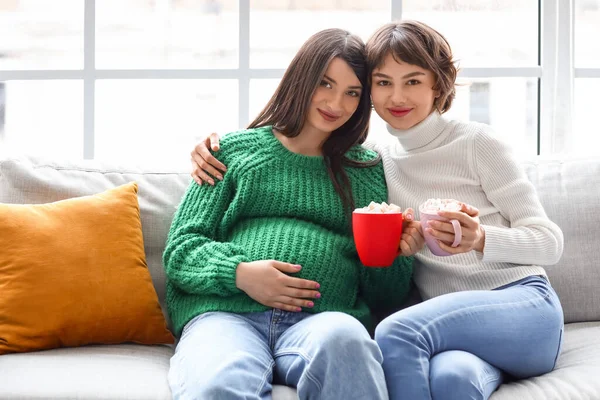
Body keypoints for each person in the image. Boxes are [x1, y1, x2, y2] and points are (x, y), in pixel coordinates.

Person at [189, 20, 565, 400]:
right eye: (383, 83)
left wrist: (480, 237)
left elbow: (549, 242)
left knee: (398, 332)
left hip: (517, 300)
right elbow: (186, 241)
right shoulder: (378, 162)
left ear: (439, 84)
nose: (397, 96)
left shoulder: (474, 143)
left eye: (413, 81)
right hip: (449, 328)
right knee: (454, 380)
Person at [163, 28, 417, 400]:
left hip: (322, 322)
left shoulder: (366, 170)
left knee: (348, 345)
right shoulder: (232, 152)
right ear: (302, 79)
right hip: (227, 316)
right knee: (219, 385)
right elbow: (181, 250)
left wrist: (393, 254)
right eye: (325, 84)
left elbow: (385, 297)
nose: (336, 103)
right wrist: (241, 275)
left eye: (352, 92)